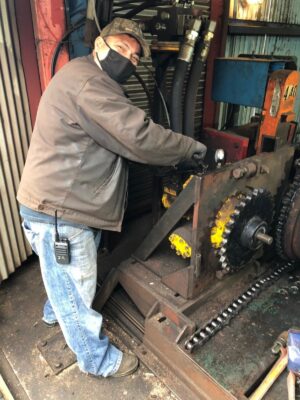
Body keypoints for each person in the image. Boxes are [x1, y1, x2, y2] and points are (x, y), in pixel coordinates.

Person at [17, 18, 207, 378]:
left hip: (53, 202)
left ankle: (54, 311)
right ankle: (97, 360)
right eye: (121, 48)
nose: (127, 59)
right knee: (77, 287)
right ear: (99, 44)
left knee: (61, 277)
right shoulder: (91, 83)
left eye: (135, 57)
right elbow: (137, 136)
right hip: (61, 212)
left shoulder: (83, 73)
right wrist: (190, 150)